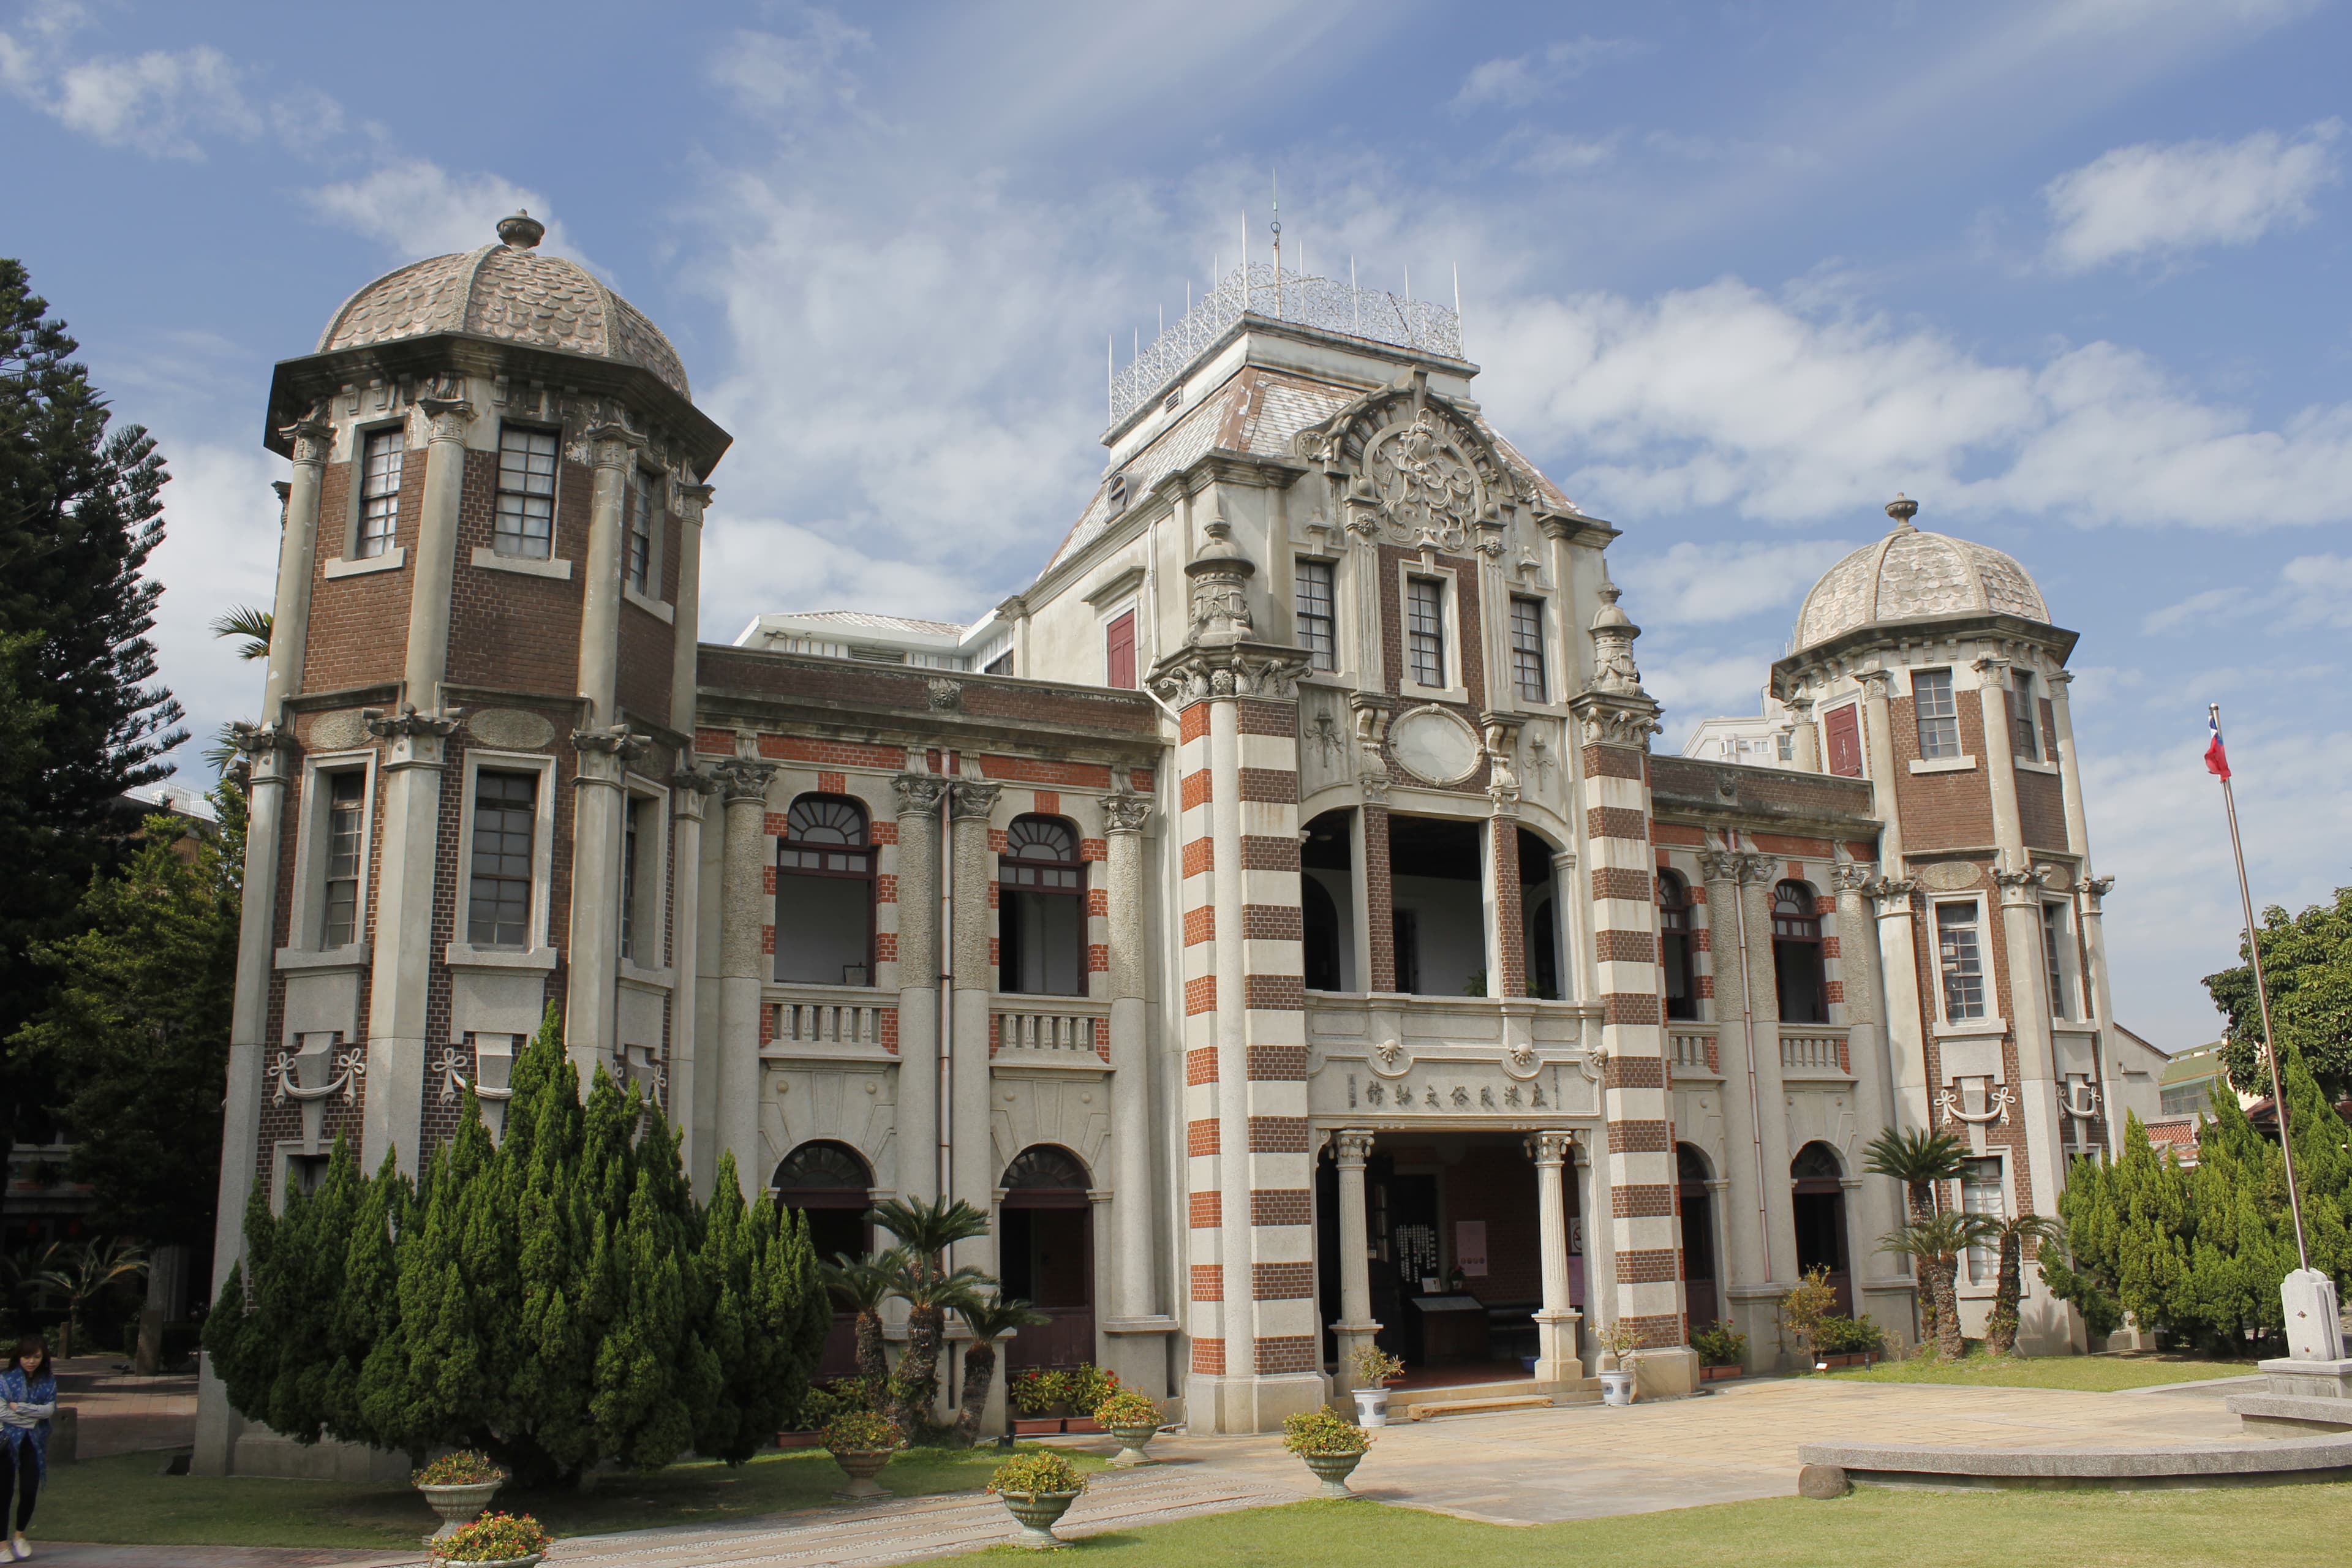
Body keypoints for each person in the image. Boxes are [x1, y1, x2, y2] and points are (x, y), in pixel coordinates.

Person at [0, 1335, 55, 1560]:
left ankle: (20, 1535)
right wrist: (32, 1418)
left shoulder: (48, 1381)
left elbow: (49, 1411)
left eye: (36, 1357)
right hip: (6, 1442)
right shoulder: (5, 1379)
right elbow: (2, 1412)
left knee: (30, 1489)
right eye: (26, 1356)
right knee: (3, 1493)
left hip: (34, 1443)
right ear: (18, 1357)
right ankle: (2, 1545)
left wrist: (20, 1408)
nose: (31, 1361)